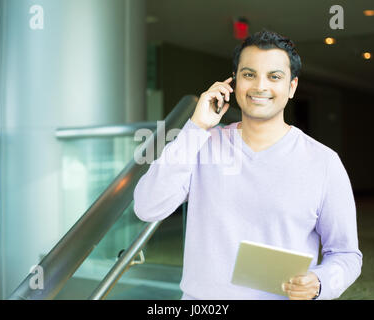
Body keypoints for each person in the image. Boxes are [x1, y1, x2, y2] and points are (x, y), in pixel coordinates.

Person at [133, 30, 362, 300]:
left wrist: (320, 283)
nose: (259, 87)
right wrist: (196, 127)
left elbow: (346, 254)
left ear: (292, 87)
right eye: (249, 74)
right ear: (233, 82)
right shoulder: (200, 144)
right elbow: (147, 207)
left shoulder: (324, 162)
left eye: (274, 77)